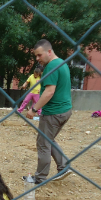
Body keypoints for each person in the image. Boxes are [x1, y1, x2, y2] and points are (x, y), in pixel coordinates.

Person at [25, 39, 74, 183]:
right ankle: (64, 166)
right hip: (65, 110)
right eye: (36, 56)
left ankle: (40, 178)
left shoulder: (51, 66)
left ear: (49, 51)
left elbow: (49, 92)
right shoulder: (62, 63)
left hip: (53, 112)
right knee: (49, 140)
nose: (37, 59)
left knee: (43, 143)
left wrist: (34, 109)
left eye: (39, 55)